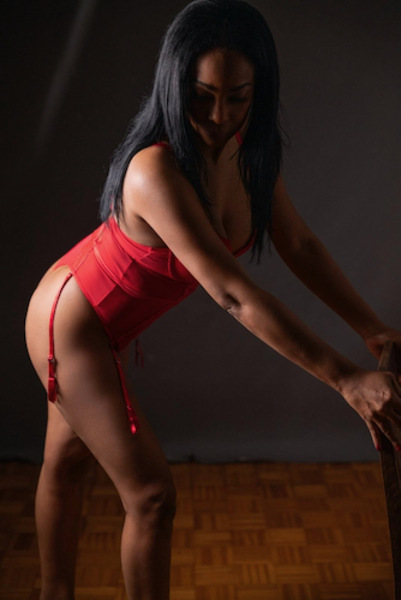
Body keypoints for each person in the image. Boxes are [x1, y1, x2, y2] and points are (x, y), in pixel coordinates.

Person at [25, 0, 401, 599]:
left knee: (67, 462)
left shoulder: (251, 152)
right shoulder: (153, 171)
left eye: (237, 97)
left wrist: (370, 328)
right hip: (71, 322)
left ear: (259, 90)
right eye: (200, 97)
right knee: (152, 495)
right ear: (174, 85)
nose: (219, 116)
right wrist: (347, 381)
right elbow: (231, 294)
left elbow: (298, 242)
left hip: (109, 325)